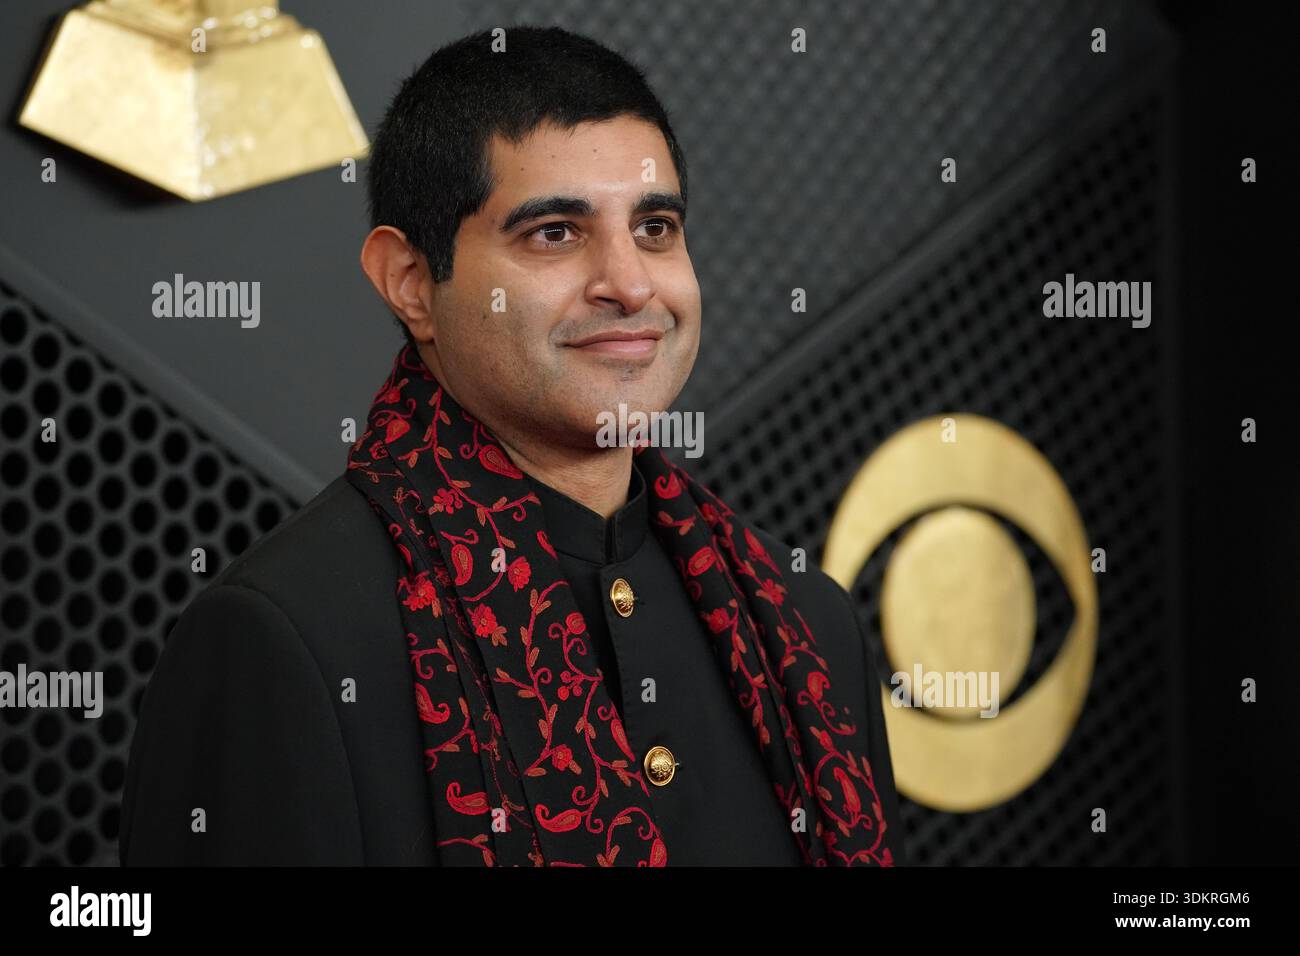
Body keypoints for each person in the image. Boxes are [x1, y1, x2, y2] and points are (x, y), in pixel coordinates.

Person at [119, 24, 903, 867]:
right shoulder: (286, 642)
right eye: (555, 233)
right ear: (412, 283)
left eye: (656, 227)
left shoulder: (808, 627)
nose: (631, 283)